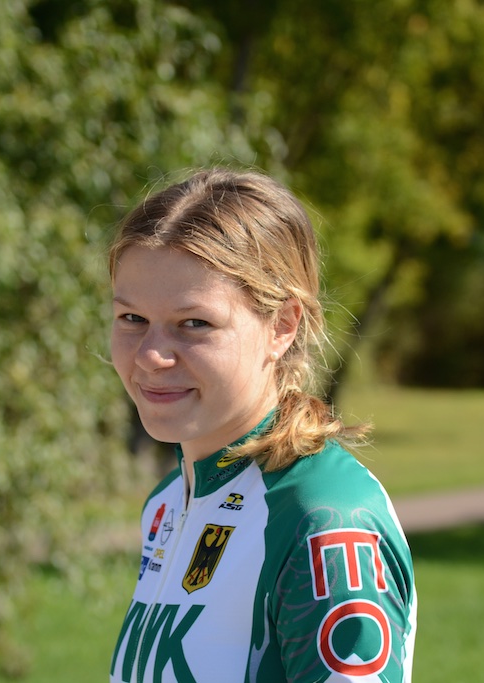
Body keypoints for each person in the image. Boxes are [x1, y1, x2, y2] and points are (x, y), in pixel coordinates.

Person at [107, 168, 416, 683]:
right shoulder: (168, 501)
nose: (152, 355)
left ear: (282, 325)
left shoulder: (321, 519)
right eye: (132, 319)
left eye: (195, 323)